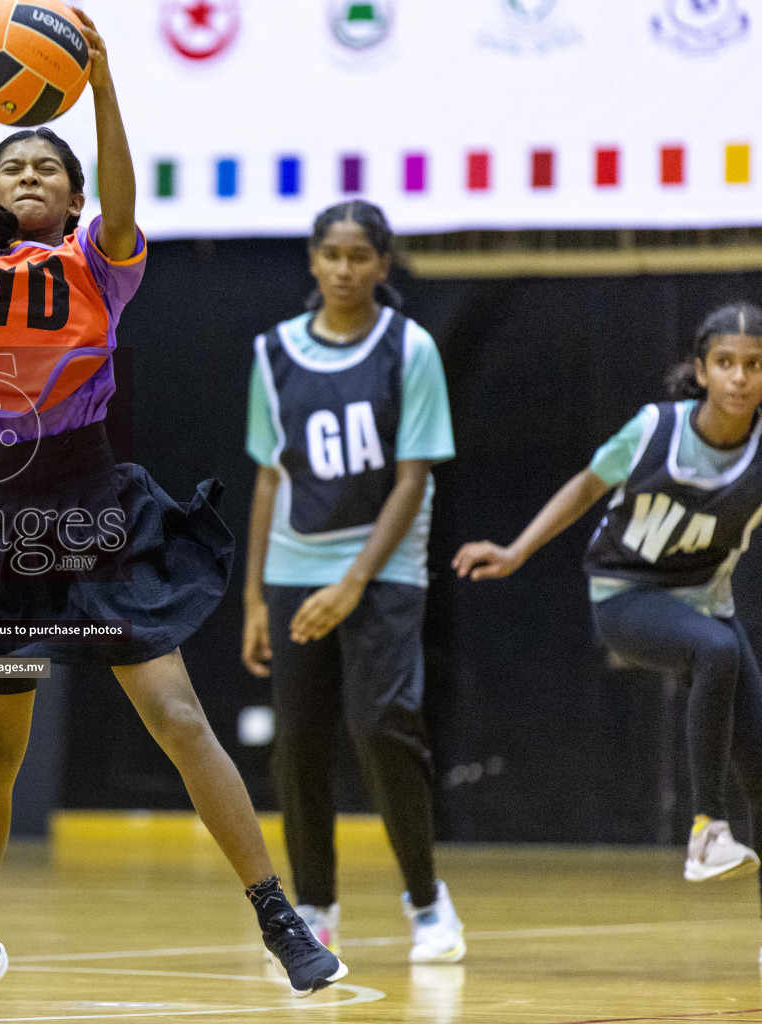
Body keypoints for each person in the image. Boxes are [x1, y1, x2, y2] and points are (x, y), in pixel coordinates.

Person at [0, 13, 344, 1020]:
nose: (33, 177)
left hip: (95, 502)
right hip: (3, 515)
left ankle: (279, 919)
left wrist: (102, 89)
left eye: (52, 168)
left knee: (180, 718)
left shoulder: (101, 261)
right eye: (14, 169)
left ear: (76, 195)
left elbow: (124, 195)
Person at [454, 303, 762, 891]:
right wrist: (517, 550)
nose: (740, 377)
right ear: (701, 370)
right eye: (726, 363)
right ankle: (706, 831)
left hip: (706, 600)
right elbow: (586, 486)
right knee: (717, 652)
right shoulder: (655, 429)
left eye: (753, 364)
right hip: (626, 595)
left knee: (760, 760)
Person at [240, 199, 465, 964]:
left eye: (359, 256)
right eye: (331, 254)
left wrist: (353, 584)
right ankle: (315, 908)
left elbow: (412, 480)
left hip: (386, 565)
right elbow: (270, 477)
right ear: (312, 260)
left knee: (381, 726)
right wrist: (254, 598)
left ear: (383, 263)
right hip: (295, 566)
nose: (344, 269)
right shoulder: (273, 352)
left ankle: (428, 902)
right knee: (297, 743)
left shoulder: (411, 349)